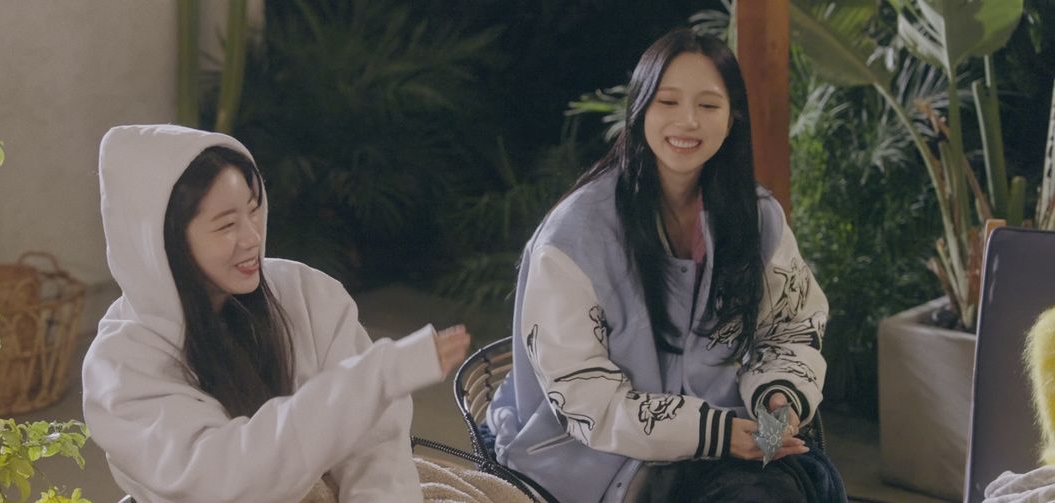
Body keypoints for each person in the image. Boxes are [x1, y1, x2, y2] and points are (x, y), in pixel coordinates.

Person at [486, 29, 844, 502]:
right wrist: (713, 433)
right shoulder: (571, 237)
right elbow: (583, 397)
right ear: (640, 110)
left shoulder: (758, 220)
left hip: (729, 447)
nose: (688, 121)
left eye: (708, 105)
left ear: (733, 117)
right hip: (594, 457)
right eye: (668, 101)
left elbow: (792, 327)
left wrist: (779, 399)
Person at [82, 124, 470, 502]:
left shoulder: (305, 293)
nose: (252, 238)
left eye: (254, 211)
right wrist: (379, 376)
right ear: (161, 241)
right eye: (227, 224)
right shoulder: (121, 368)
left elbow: (375, 442)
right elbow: (231, 479)